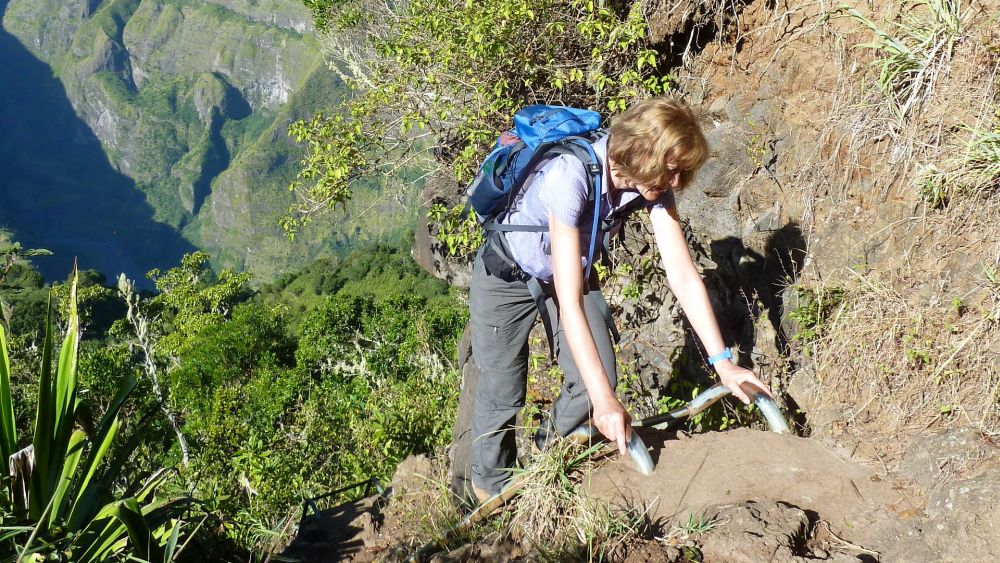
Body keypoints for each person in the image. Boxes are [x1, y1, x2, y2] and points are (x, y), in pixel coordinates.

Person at [468, 96, 773, 501]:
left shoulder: (653, 184)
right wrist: (605, 402)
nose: (676, 183)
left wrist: (724, 365)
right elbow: (571, 302)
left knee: (597, 382)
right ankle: (489, 491)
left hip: (566, 274)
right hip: (506, 276)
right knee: (503, 392)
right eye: (671, 170)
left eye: (681, 173)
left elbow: (682, 275)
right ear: (640, 151)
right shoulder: (569, 175)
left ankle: (549, 458)